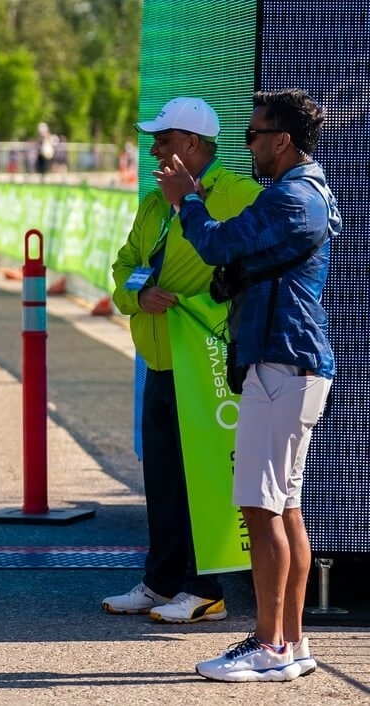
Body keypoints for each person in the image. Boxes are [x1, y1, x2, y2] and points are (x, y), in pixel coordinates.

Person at [157, 89, 338, 683]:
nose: (248, 146)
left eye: (253, 135)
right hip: (286, 361)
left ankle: (271, 647)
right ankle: (292, 643)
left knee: (263, 508)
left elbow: (217, 244)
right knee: (284, 507)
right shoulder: (298, 193)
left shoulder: (292, 197)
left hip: (283, 363)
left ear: (281, 140)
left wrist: (187, 203)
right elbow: (234, 265)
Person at [105, 97, 262, 624]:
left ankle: (205, 589)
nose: (154, 149)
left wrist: (209, 303)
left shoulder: (239, 194)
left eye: (164, 140)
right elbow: (124, 264)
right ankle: (161, 580)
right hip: (159, 358)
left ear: (193, 145)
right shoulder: (153, 201)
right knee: (165, 478)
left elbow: (254, 264)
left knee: (205, 477)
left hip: (207, 363)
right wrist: (140, 290)